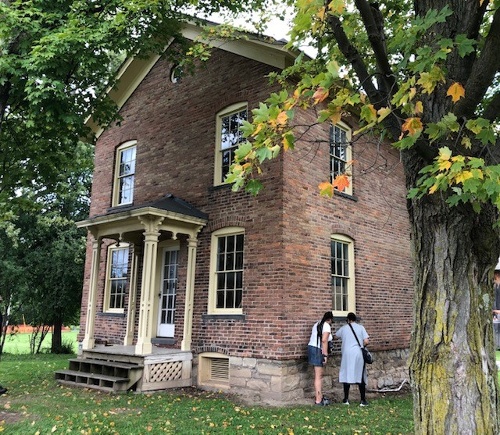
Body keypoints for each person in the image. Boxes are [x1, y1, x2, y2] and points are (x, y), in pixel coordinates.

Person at [335, 312, 370, 406]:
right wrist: (362, 345)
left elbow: (335, 336)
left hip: (347, 354)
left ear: (348, 320)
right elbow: (366, 341)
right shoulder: (361, 327)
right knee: (360, 375)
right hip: (358, 353)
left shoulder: (344, 328)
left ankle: (346, 399)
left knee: (346, 374)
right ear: (355, 319)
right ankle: (363, 400)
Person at [307, 311, 334, 406]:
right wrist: (325, 355)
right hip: (318, 350)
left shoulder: (317, 324)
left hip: (311, 347)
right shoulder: (326, 325)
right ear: (330, 319)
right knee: (318, 376)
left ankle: (320, 396)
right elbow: (324, 340)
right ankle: (318, 400)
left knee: (317, 375)